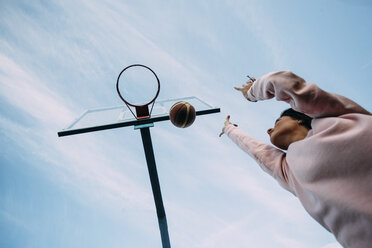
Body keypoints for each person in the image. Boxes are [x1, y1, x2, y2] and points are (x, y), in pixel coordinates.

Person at [221, 71, 372, 248]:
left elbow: (282, 83)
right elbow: (257, 150)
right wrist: (230, 129)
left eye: (277, 121)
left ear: (299, 118)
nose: (269, 130)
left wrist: (251, 92)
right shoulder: (290, 172)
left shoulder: (334, 116)